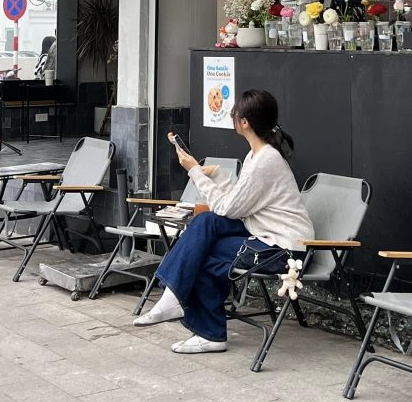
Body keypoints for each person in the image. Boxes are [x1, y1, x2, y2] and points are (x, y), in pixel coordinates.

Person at [134, 89, 314, 354]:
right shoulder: (256, 156)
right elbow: (239, 201)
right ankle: (179, 304)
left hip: (285, 249)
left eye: (235, 113)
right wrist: (216, 174)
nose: (232, 116)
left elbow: (227, 208)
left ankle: (205, 329)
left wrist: (195, 172)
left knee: (205, 250)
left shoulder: (266, 161)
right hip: (263, 234)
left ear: (245, 122)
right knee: (206, 223)